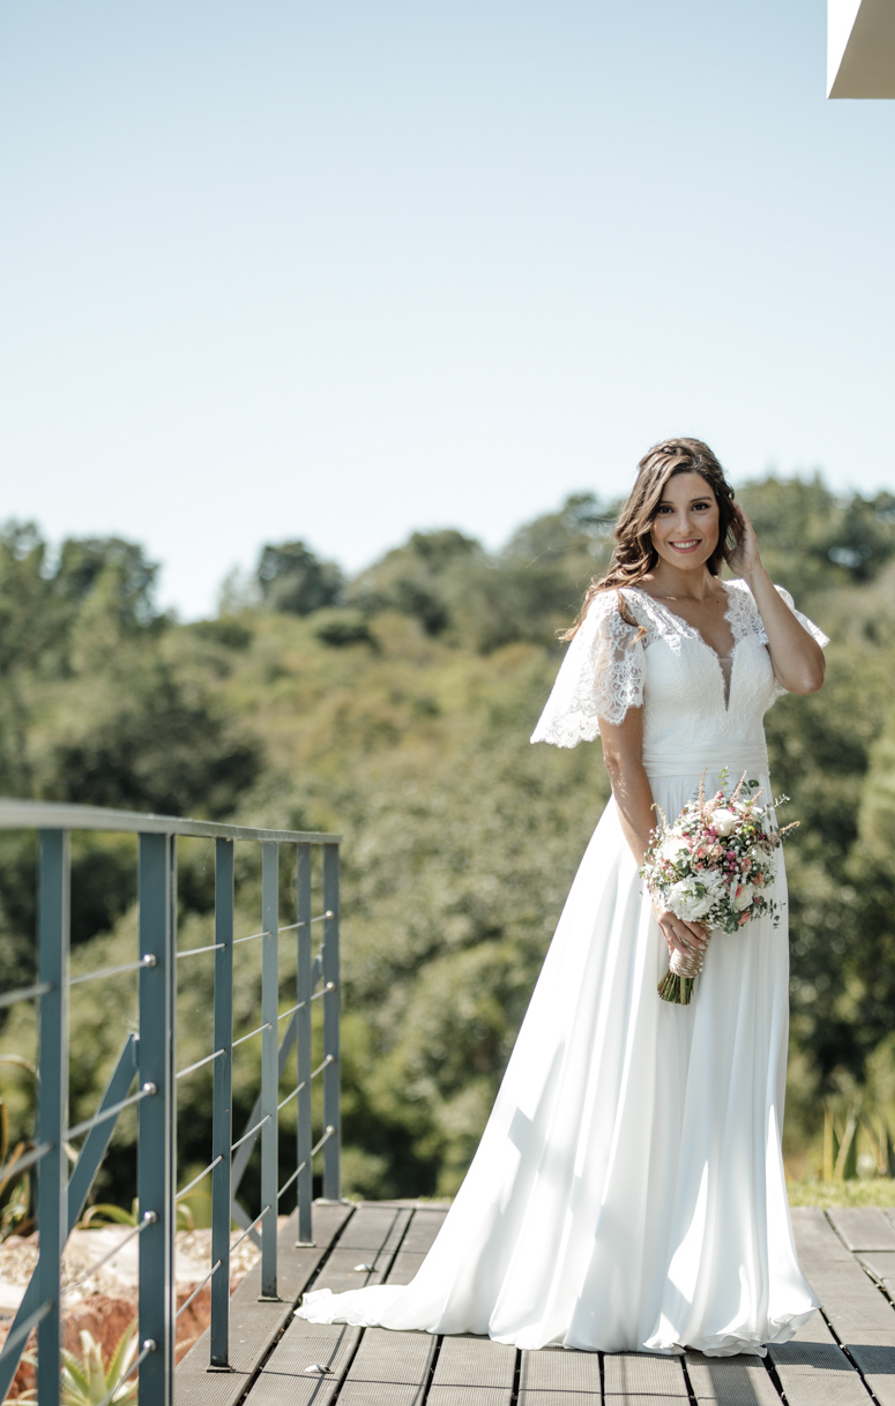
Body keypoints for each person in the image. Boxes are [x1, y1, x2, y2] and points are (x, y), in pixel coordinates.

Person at [299, 437, 827, 1356]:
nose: (684, 527)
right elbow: (622, 765)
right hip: (654, 855)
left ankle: (708, 1287)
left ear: (726, 514)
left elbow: (806, 675)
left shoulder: (750, 604)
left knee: (726, 1065)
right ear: (643, 520)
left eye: (701, 507)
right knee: (639, 1062)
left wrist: (756, 569)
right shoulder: (621, 614)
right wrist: (664, 886)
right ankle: (613, 1284)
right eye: (667, 510)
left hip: (747, 861)